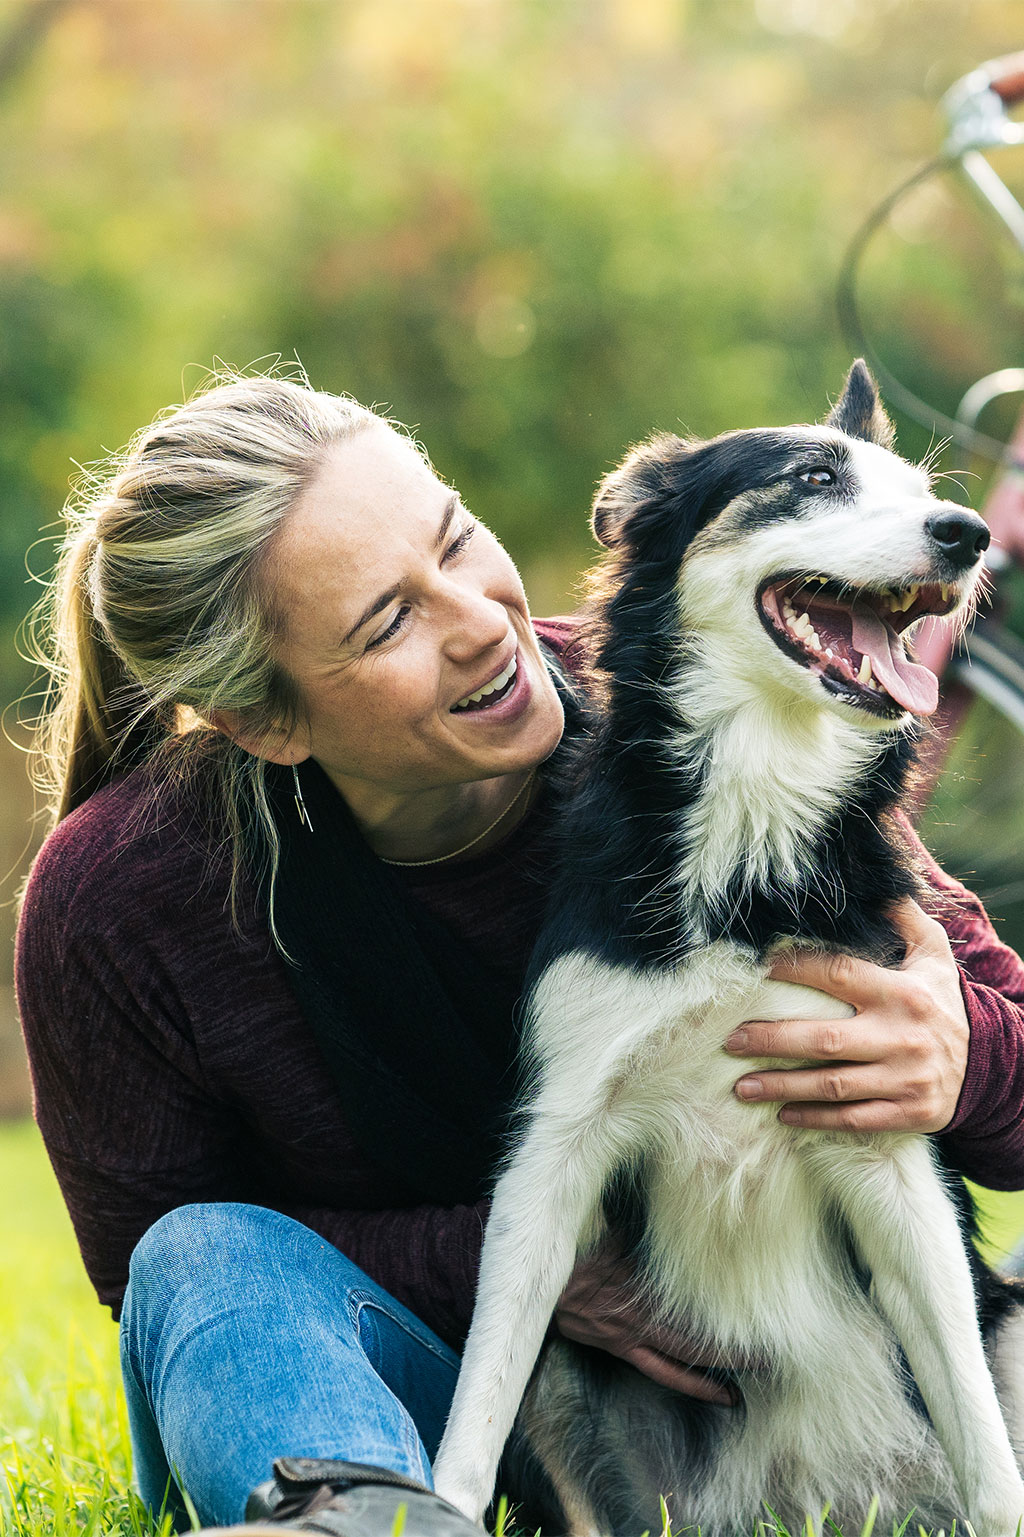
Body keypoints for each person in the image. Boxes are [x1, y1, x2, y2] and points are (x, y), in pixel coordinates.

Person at [14, 371, 1024, 1537]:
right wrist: (534, 1265)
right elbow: (152, 1268)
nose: (479, 622)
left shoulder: (706, 705)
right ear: (261, 720)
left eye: (455, 537)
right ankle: (357, 1517)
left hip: (833, 1381)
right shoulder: (124, 892)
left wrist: (960, 1055)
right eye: (388, 621)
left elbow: (1002, 1060)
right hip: (467, 1400)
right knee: (201, 1253)